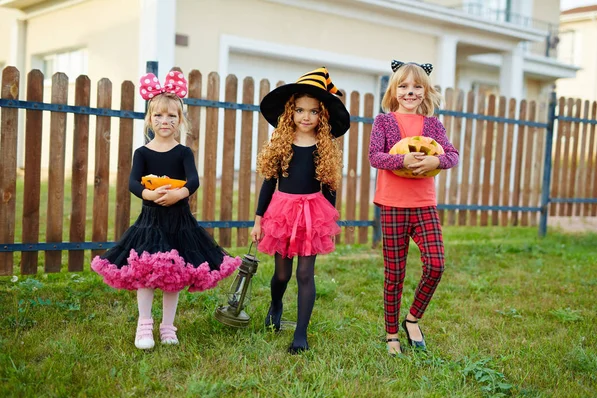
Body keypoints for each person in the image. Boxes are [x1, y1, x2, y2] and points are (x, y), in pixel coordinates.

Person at [92, 70, 241, 350]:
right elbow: (133, 182)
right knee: (146, 274)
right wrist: (149, 193)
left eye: (172, 116)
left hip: (179, 222)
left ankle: (168, 326)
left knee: (174, 276)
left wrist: (179, 193)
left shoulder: (183, 152)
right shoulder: (143, 152)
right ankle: (144, 324)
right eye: (159, 116)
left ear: (180, 120)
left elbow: (194, 180)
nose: (165, 121)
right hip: (150, 222)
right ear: (150, 119)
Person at [250, 67, 350, 354]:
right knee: (282, 274)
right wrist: (258, 221)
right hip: (282, 211)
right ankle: (276, 303)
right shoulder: (281, 144)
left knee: (305, 273)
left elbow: (330, 186)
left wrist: (327, 222)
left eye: (314, 111)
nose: (306, 116)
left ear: (323, 116)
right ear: (289, 113)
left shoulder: (323, 146)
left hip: (312, 213)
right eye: (300, 110)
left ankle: (300, 334)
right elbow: (269, 183)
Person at [369, 60, 459, 355]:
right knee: (394, 274)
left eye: (417, 86)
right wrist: (401, 161)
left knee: (436, 264)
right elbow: (375, 157)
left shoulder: (434, 124)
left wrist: (437, 161)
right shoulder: (383, 122)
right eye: (404, 86)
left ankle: (413, 319)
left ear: (426, 90)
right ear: (394, 91)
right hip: (393, 205)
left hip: (424, 206)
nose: (410, 92)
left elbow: (452, 155)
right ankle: (391, 333)